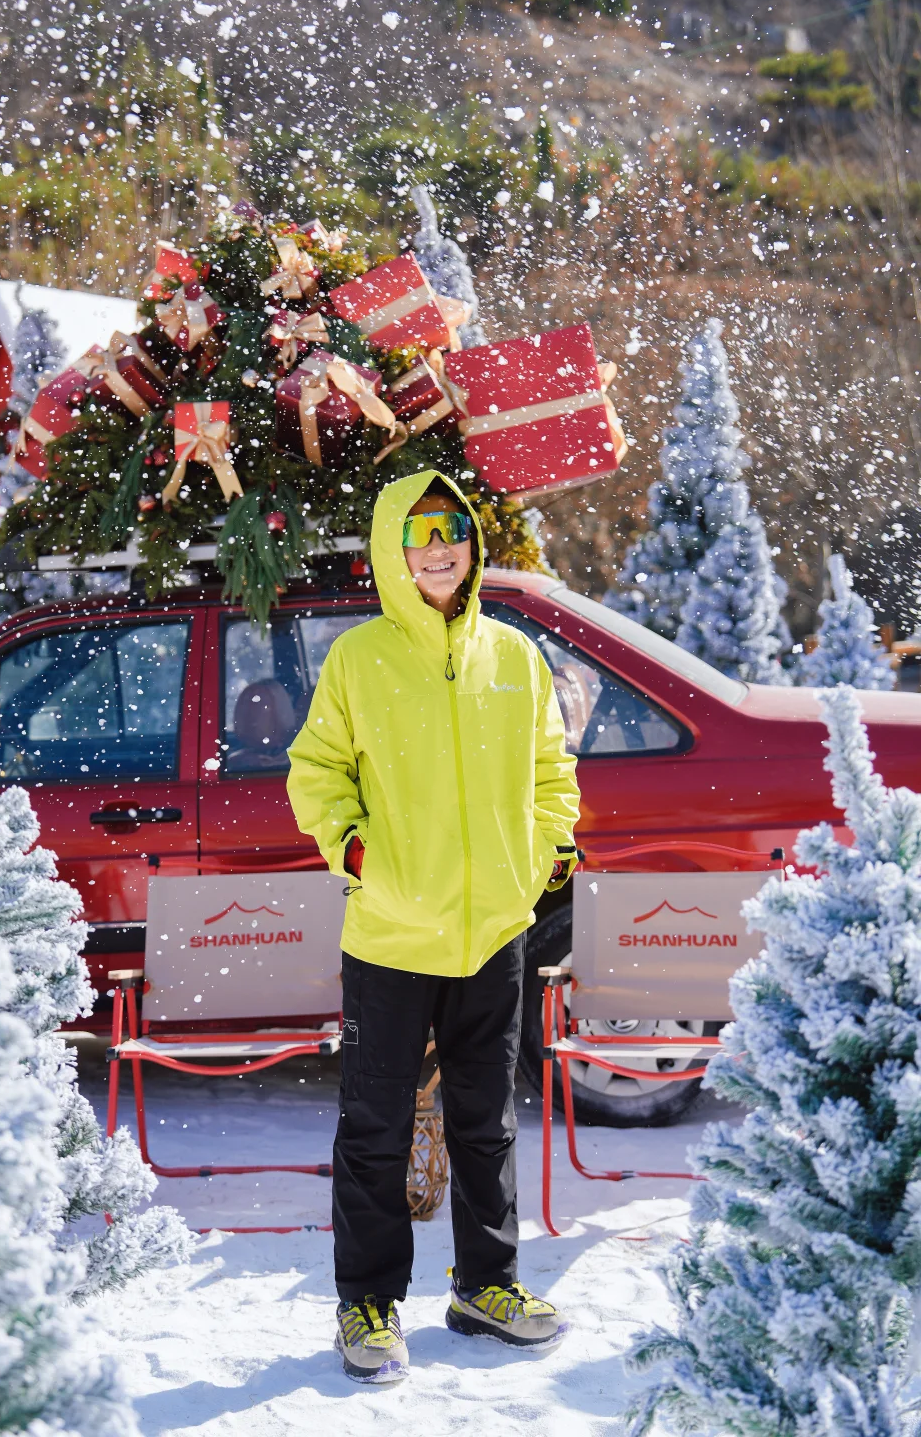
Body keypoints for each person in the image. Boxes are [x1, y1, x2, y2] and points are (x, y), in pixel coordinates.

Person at [287, 469, 581, 1384]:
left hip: (494, 932)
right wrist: (359, 855)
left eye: (452, 527)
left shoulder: (515, 659)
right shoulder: (359, 661)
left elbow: (551, 773)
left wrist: (541, 858)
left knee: (484, 1121)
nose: (439, 546)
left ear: (472, 544)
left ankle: (483, 1286)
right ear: (393, 551)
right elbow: (316, 773)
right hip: (389, 938)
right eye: (419, 533)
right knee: (373, 1127)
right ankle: (369, 1303)